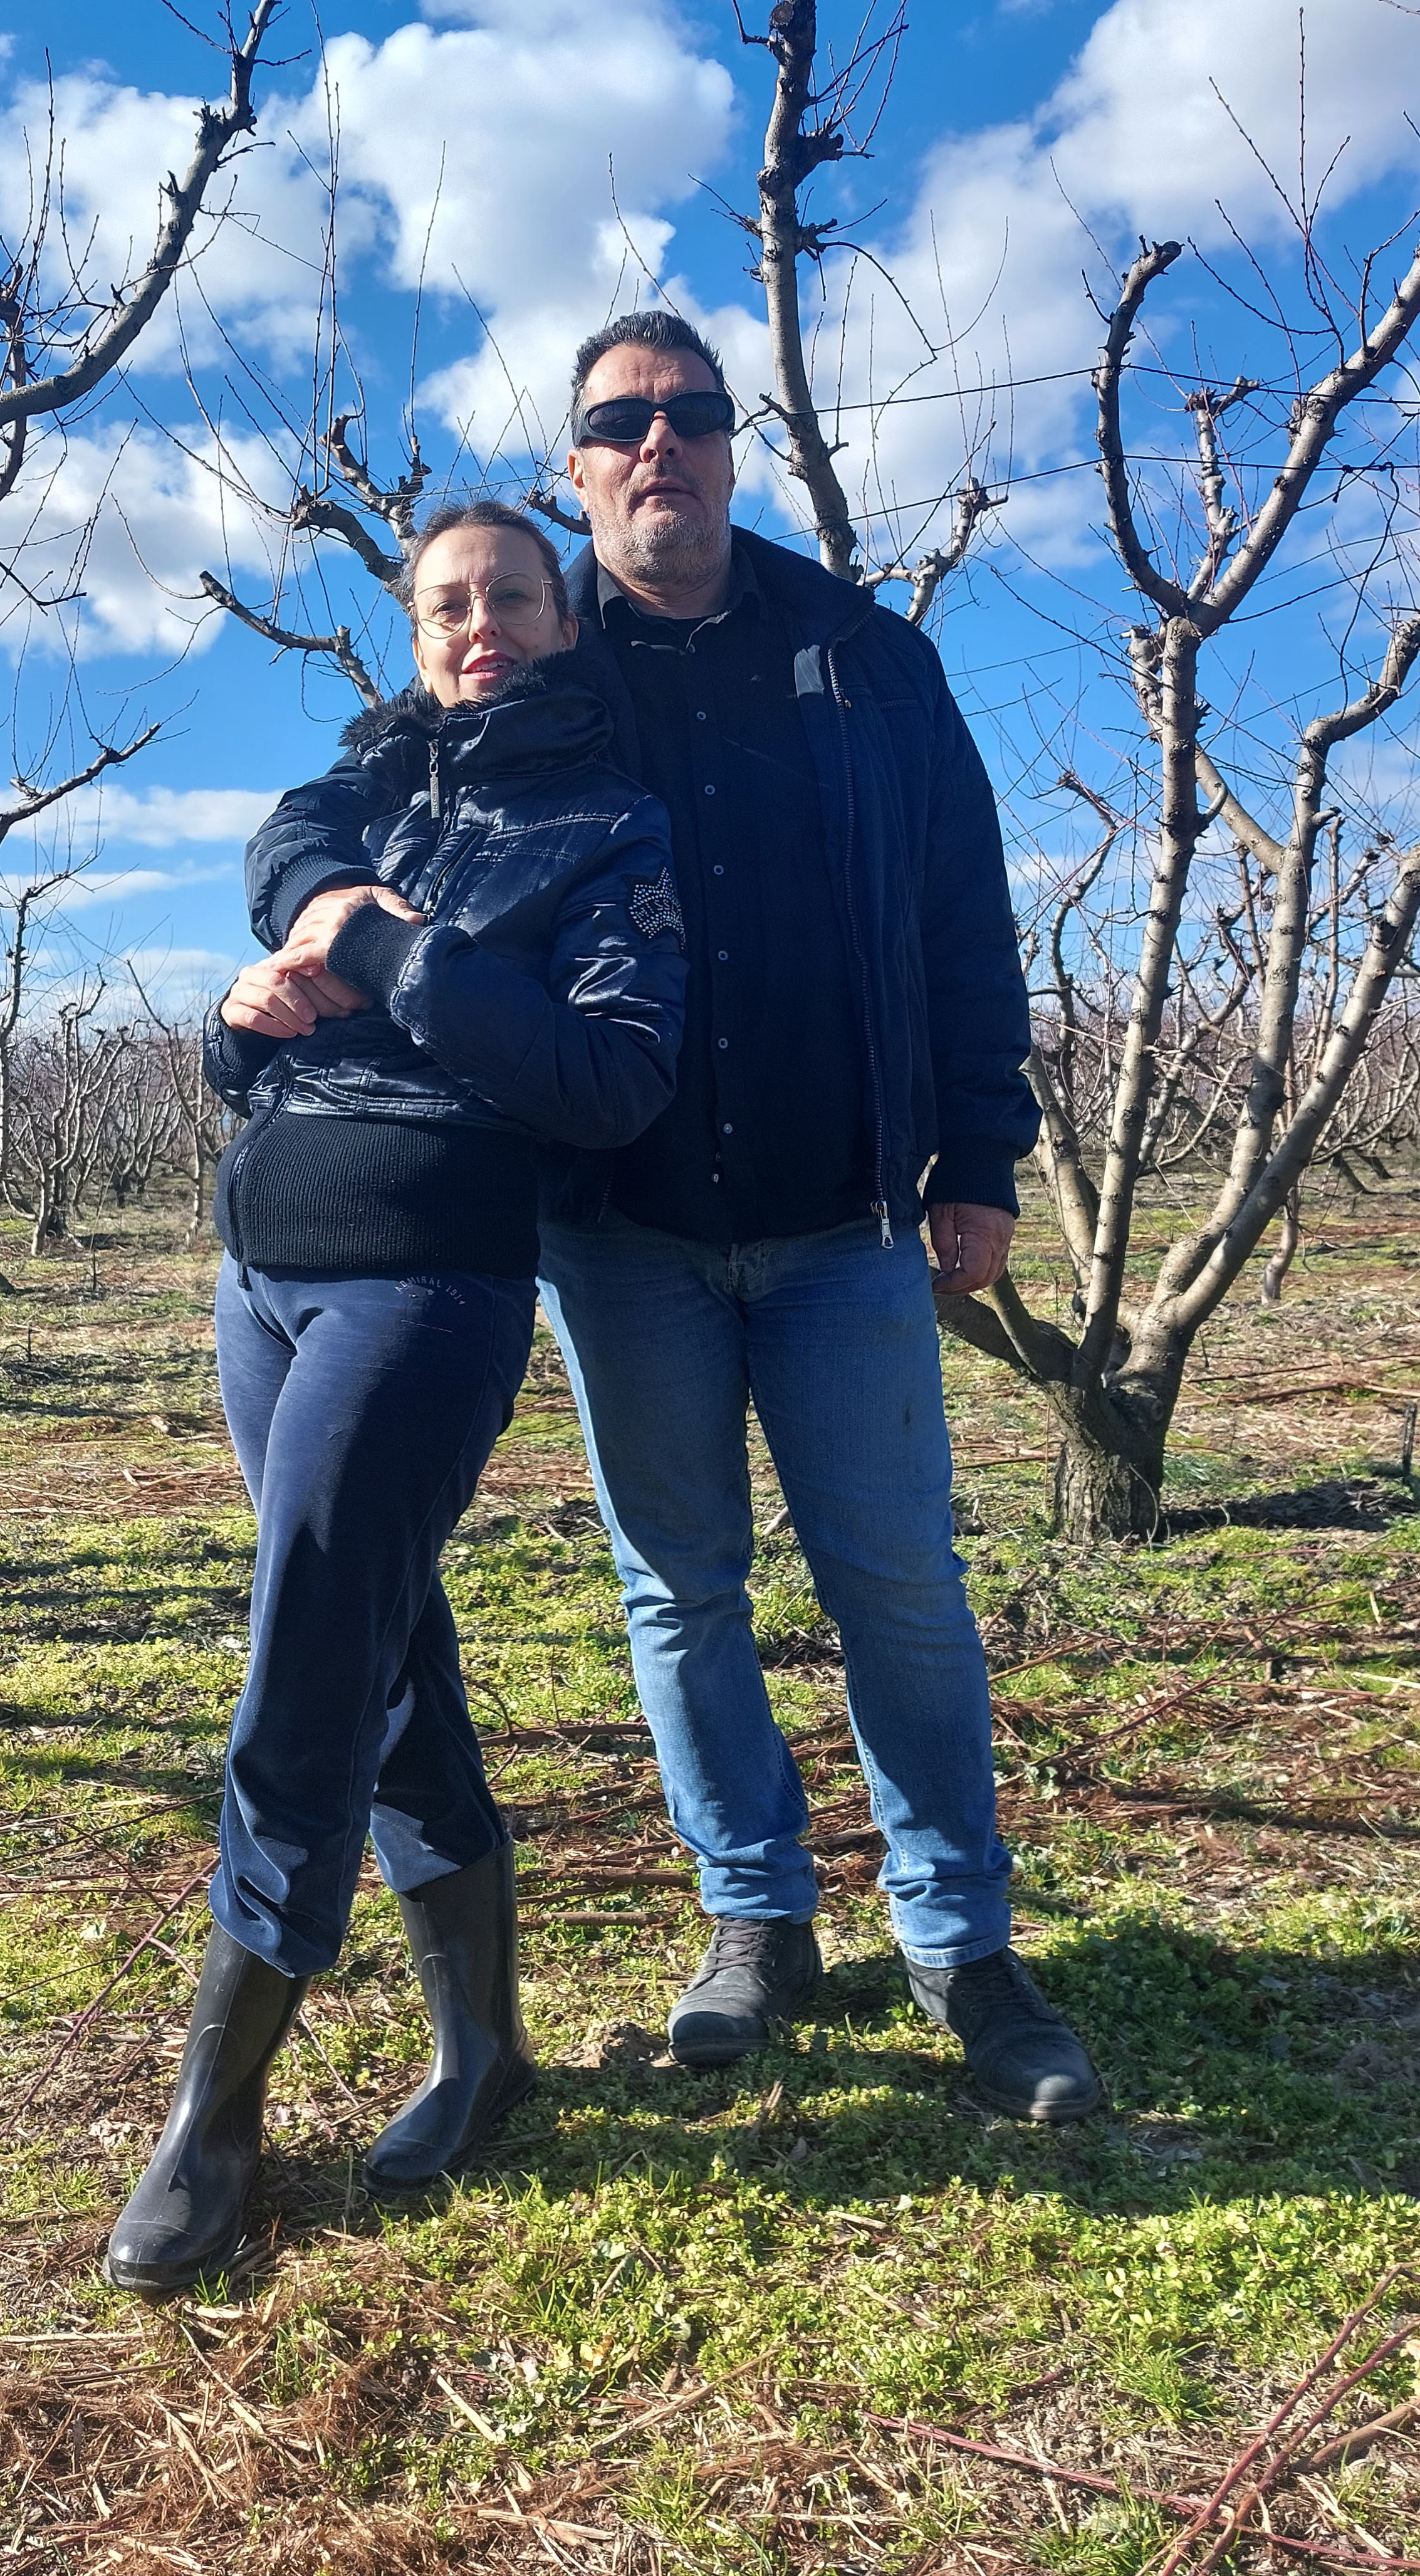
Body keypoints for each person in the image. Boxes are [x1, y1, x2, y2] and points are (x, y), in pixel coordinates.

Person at [247, 313, 1103, 2126]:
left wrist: (977, 1154)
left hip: (842, 1213)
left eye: (692, 415)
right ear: (577, 471)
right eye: (621, 422)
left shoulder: (864, 658)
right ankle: (755, 1917)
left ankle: (962, 1943)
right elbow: (343, 798)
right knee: (681, 1587)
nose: (661, 445)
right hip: (617, 1227)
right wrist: (324, 907)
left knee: (899, 1587)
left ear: (732, 444)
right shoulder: (533, 658)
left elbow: (962, 910)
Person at [104, 500, 686, 2295]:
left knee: (305, 1655)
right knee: (383, 1640)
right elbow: (281, 877)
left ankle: (215, 2114)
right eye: (447, 604)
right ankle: (485, 2050)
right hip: (263, 1280)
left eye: (509, 596)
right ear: (414, 631)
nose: (478, 623)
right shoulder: (362, 790)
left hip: (426, 1283)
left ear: (562, 620)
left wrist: (393, 956)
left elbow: (615, 1077)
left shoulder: (607, 827)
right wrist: (247, 1008)